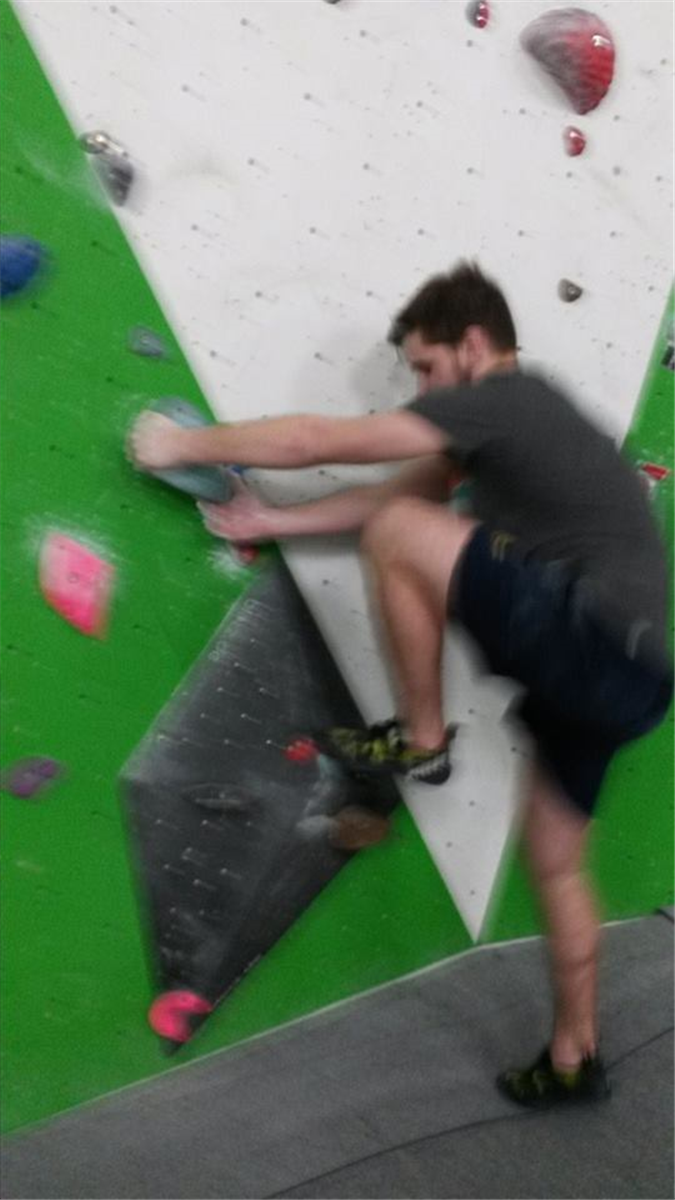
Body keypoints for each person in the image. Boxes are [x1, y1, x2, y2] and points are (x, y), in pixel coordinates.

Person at [129, 262, 672, 1108]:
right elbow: (391, 500)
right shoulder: (507, 433)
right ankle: (573, 1058)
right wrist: (269, 520)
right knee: (557, 866)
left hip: (591, 637)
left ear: (474, 344)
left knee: (400, 531)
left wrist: (180, 445)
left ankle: (421, 742)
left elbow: (322, 444)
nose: (418, 389)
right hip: (633, 683)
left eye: (424, 367)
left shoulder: (507, 396)